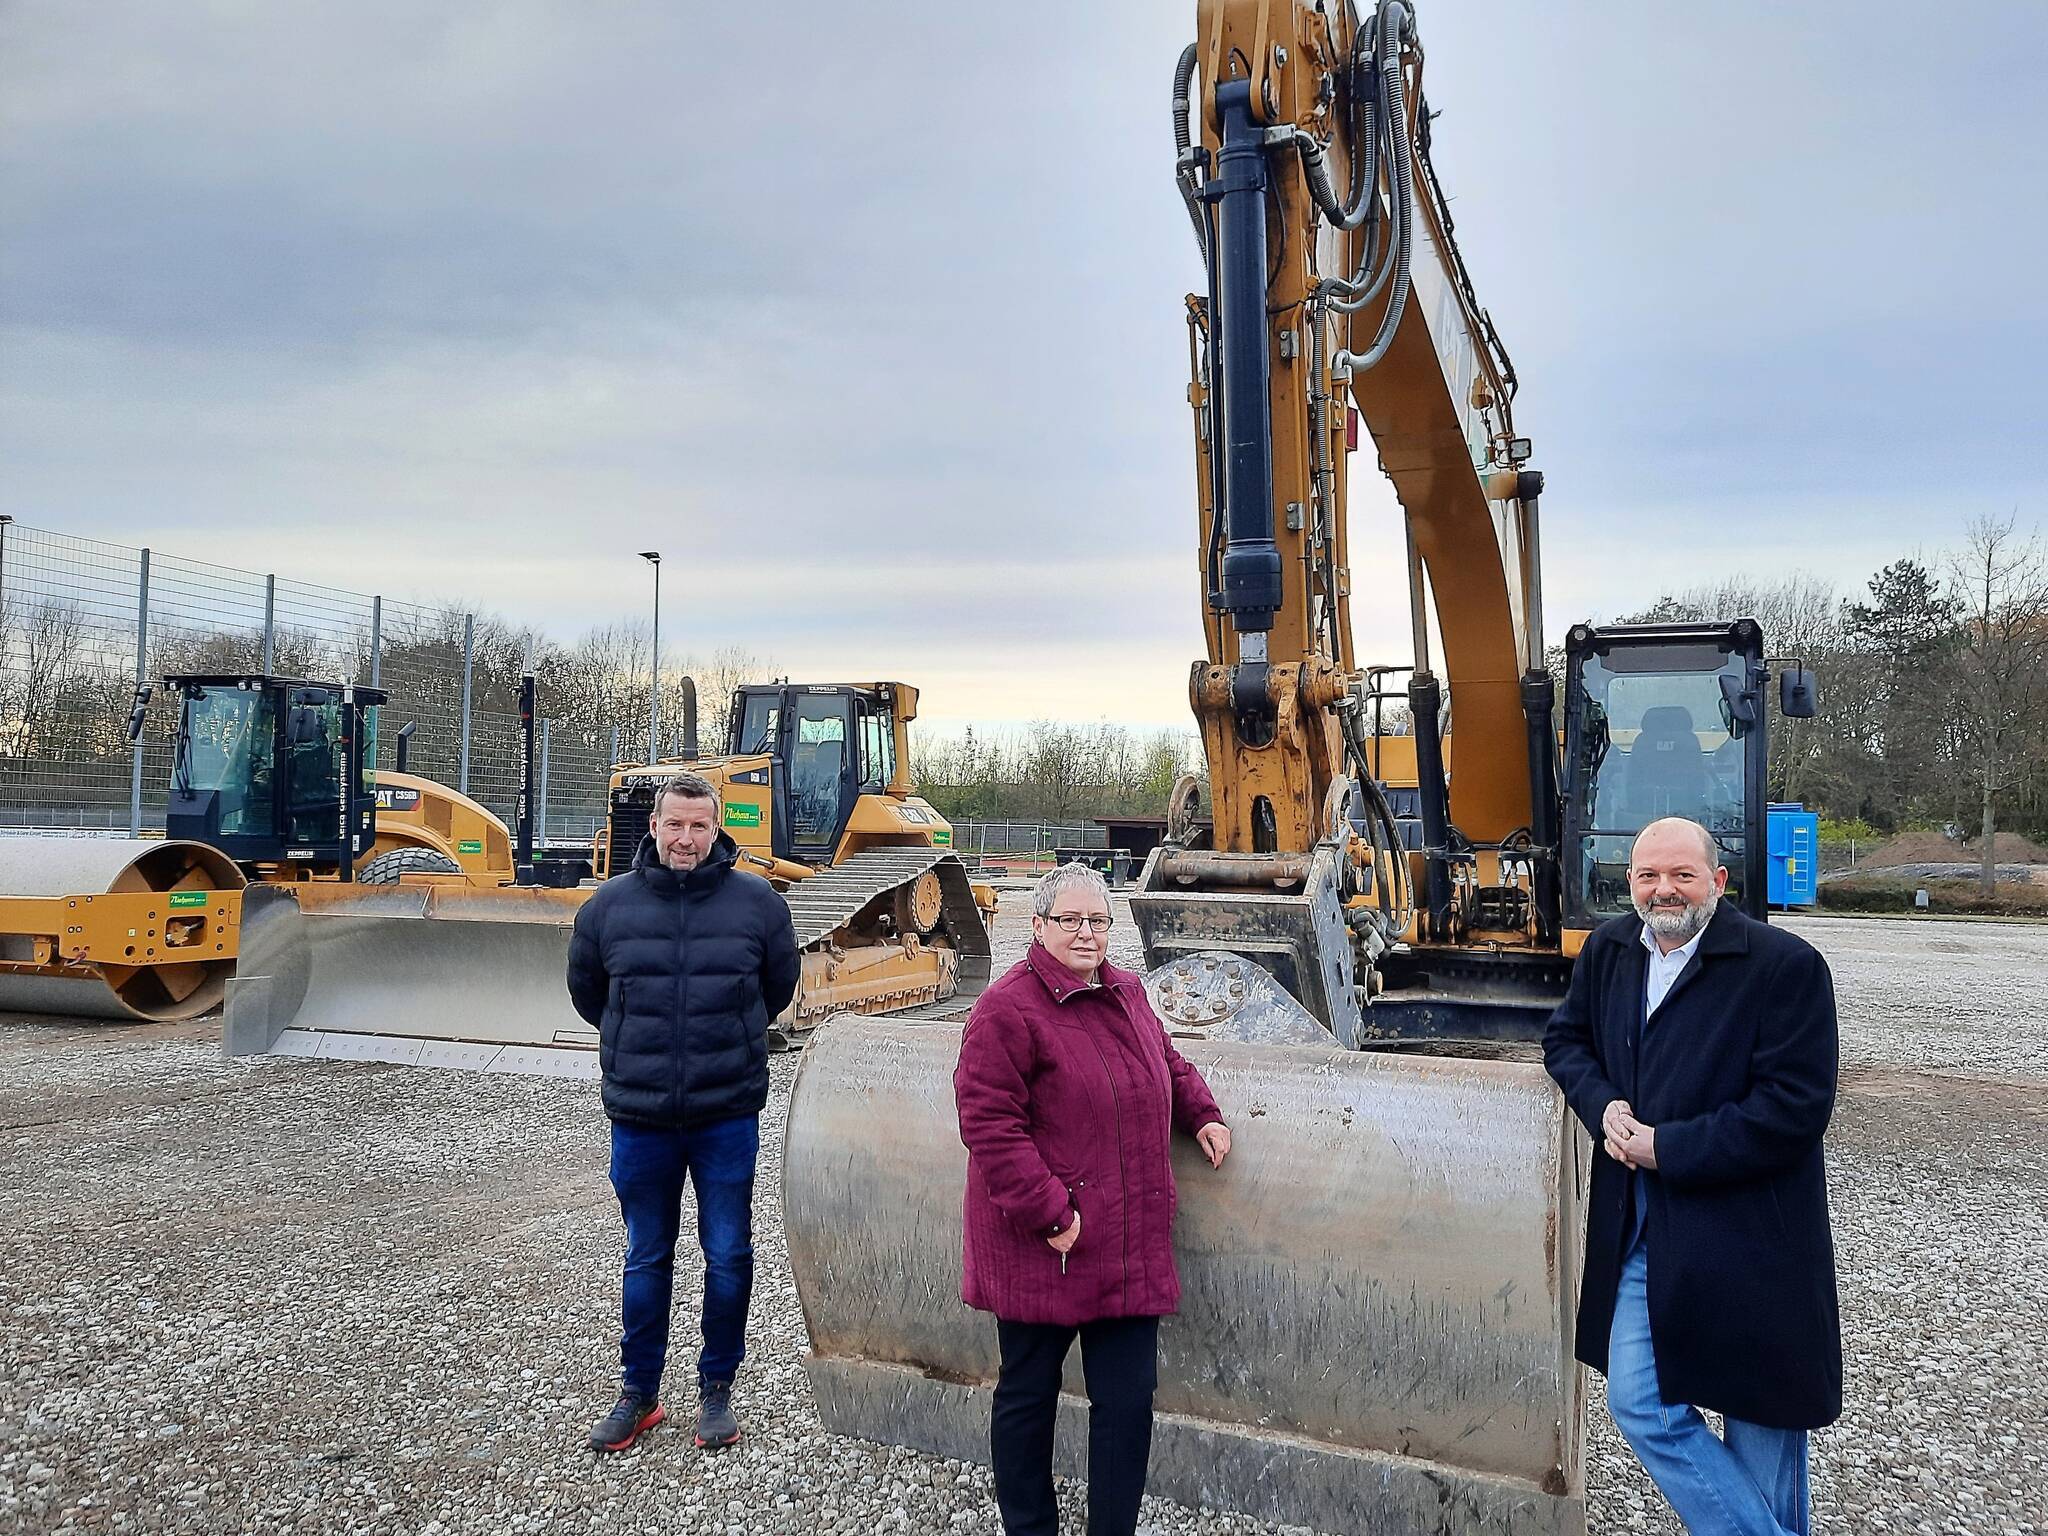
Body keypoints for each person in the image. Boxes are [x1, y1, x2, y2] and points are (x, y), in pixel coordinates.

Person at [1544, 816, 1842, 1535]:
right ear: (1630, 882)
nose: (1662, 889)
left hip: (1752, 1237)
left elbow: (1792, 1111)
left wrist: (1665, 1148)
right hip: (1643, 1224)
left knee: (1760, 1414)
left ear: (1718, 881)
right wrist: (1604, 1104)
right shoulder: (1613, 950)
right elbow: (1566, 1039)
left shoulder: (1783, 967)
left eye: (1681, 874)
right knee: (1642, 1404)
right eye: (1648, 875)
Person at [953, 862, 1231, 1536]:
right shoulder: (1007, 1008)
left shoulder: (1126, 990)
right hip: (1049, 1239)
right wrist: (1049, 1212)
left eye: (1098, 920)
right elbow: (988, 1119)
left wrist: (1201, 1114)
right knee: (1027, 1393)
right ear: (1039, 924)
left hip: (1124, 1239)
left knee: (1128, 1402)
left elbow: (1166, 1062)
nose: (1086, 932)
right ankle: (1030, 1526)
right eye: (1070, 920)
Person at [566, 772, 800, 1454]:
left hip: (725, 1113)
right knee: (647, 1255)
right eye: (675, 825)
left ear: (717, 829)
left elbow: (776, 989)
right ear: (655, 827)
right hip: (640, 1117)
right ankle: (638, 1394)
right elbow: (590, 994)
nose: (687, 839)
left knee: (728, 1253)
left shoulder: (759, 906)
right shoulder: (608, 908)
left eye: (700, 826)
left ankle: (716, 1390)